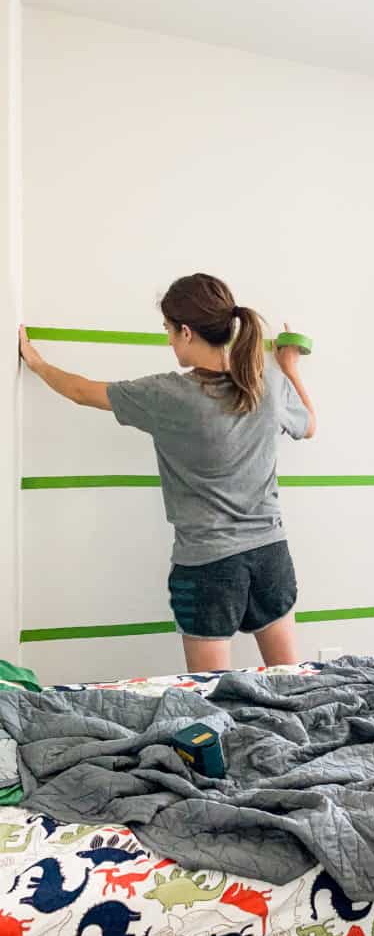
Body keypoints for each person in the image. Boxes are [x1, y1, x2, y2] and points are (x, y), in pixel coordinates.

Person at [19, 272, 315, 673]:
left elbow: (81, 391)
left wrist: (36, 362)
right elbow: (309, 425)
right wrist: (289, 365)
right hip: (271, 555)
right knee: (292, 686)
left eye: (169, 331)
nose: (169, 340)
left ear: (187, 332)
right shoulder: (267, 382)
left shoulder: (166, 396)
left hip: (208, 567)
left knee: (210, 704)